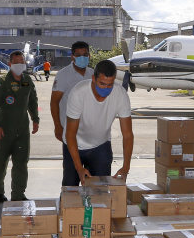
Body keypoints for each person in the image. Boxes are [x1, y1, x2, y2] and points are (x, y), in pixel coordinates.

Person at [64, 60, 133, 185]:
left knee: (101, 192)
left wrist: (126, 167)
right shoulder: (78, 93)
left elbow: (128, 134)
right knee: (70, 190)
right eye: (102, 84)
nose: (106, 88)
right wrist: (79, 168)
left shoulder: (120, 95)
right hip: (74, 145)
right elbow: (70, 134)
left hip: (101, 146)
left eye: (110, 85)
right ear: (93, 79)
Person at [0, 51, 39, 203]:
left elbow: (33, 102)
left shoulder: (27, 80)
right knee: (0, 163)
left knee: (21, 164)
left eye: (22, 62)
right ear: (10, 64)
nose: (19, 65)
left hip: (22, 131)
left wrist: (35, 119)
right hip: (5, 130)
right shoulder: (0, 82)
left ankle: (18, 194)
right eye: (16, 63)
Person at [50, 41, 94, 185]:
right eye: (78, 55)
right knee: (71, 179)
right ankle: (69, 207)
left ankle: (92, 207)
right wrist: (57, 126)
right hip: (71, 134)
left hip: (91, 134)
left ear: (89, 55)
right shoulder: (63, 75)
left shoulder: (93, 75)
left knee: (93, 180)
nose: (83, 58)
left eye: (85, 55)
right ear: (72, 57)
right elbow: (54, 102)